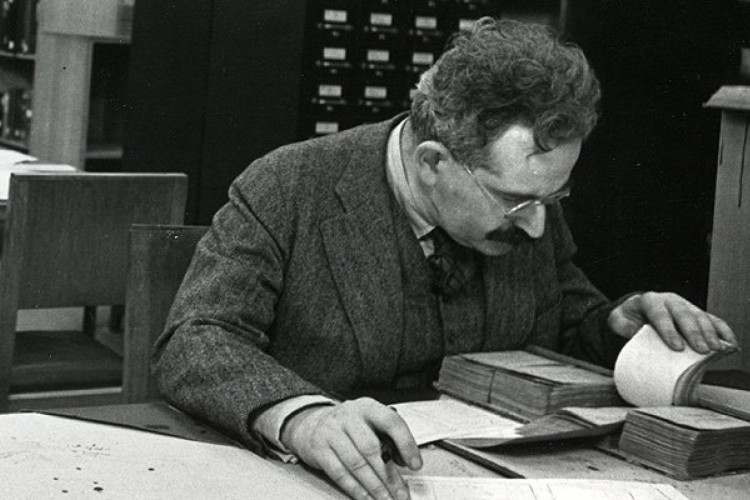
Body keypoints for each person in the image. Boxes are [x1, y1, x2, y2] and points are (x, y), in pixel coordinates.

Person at [153, 17, 736, 500]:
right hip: (322, 482)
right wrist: (303, 418)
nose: (537, 223)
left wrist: (618, 327)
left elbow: (565, 320)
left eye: (552, 197)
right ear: (433, 162)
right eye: (514, 202)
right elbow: (197, 340)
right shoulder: (290, 186)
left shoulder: (529, 199)